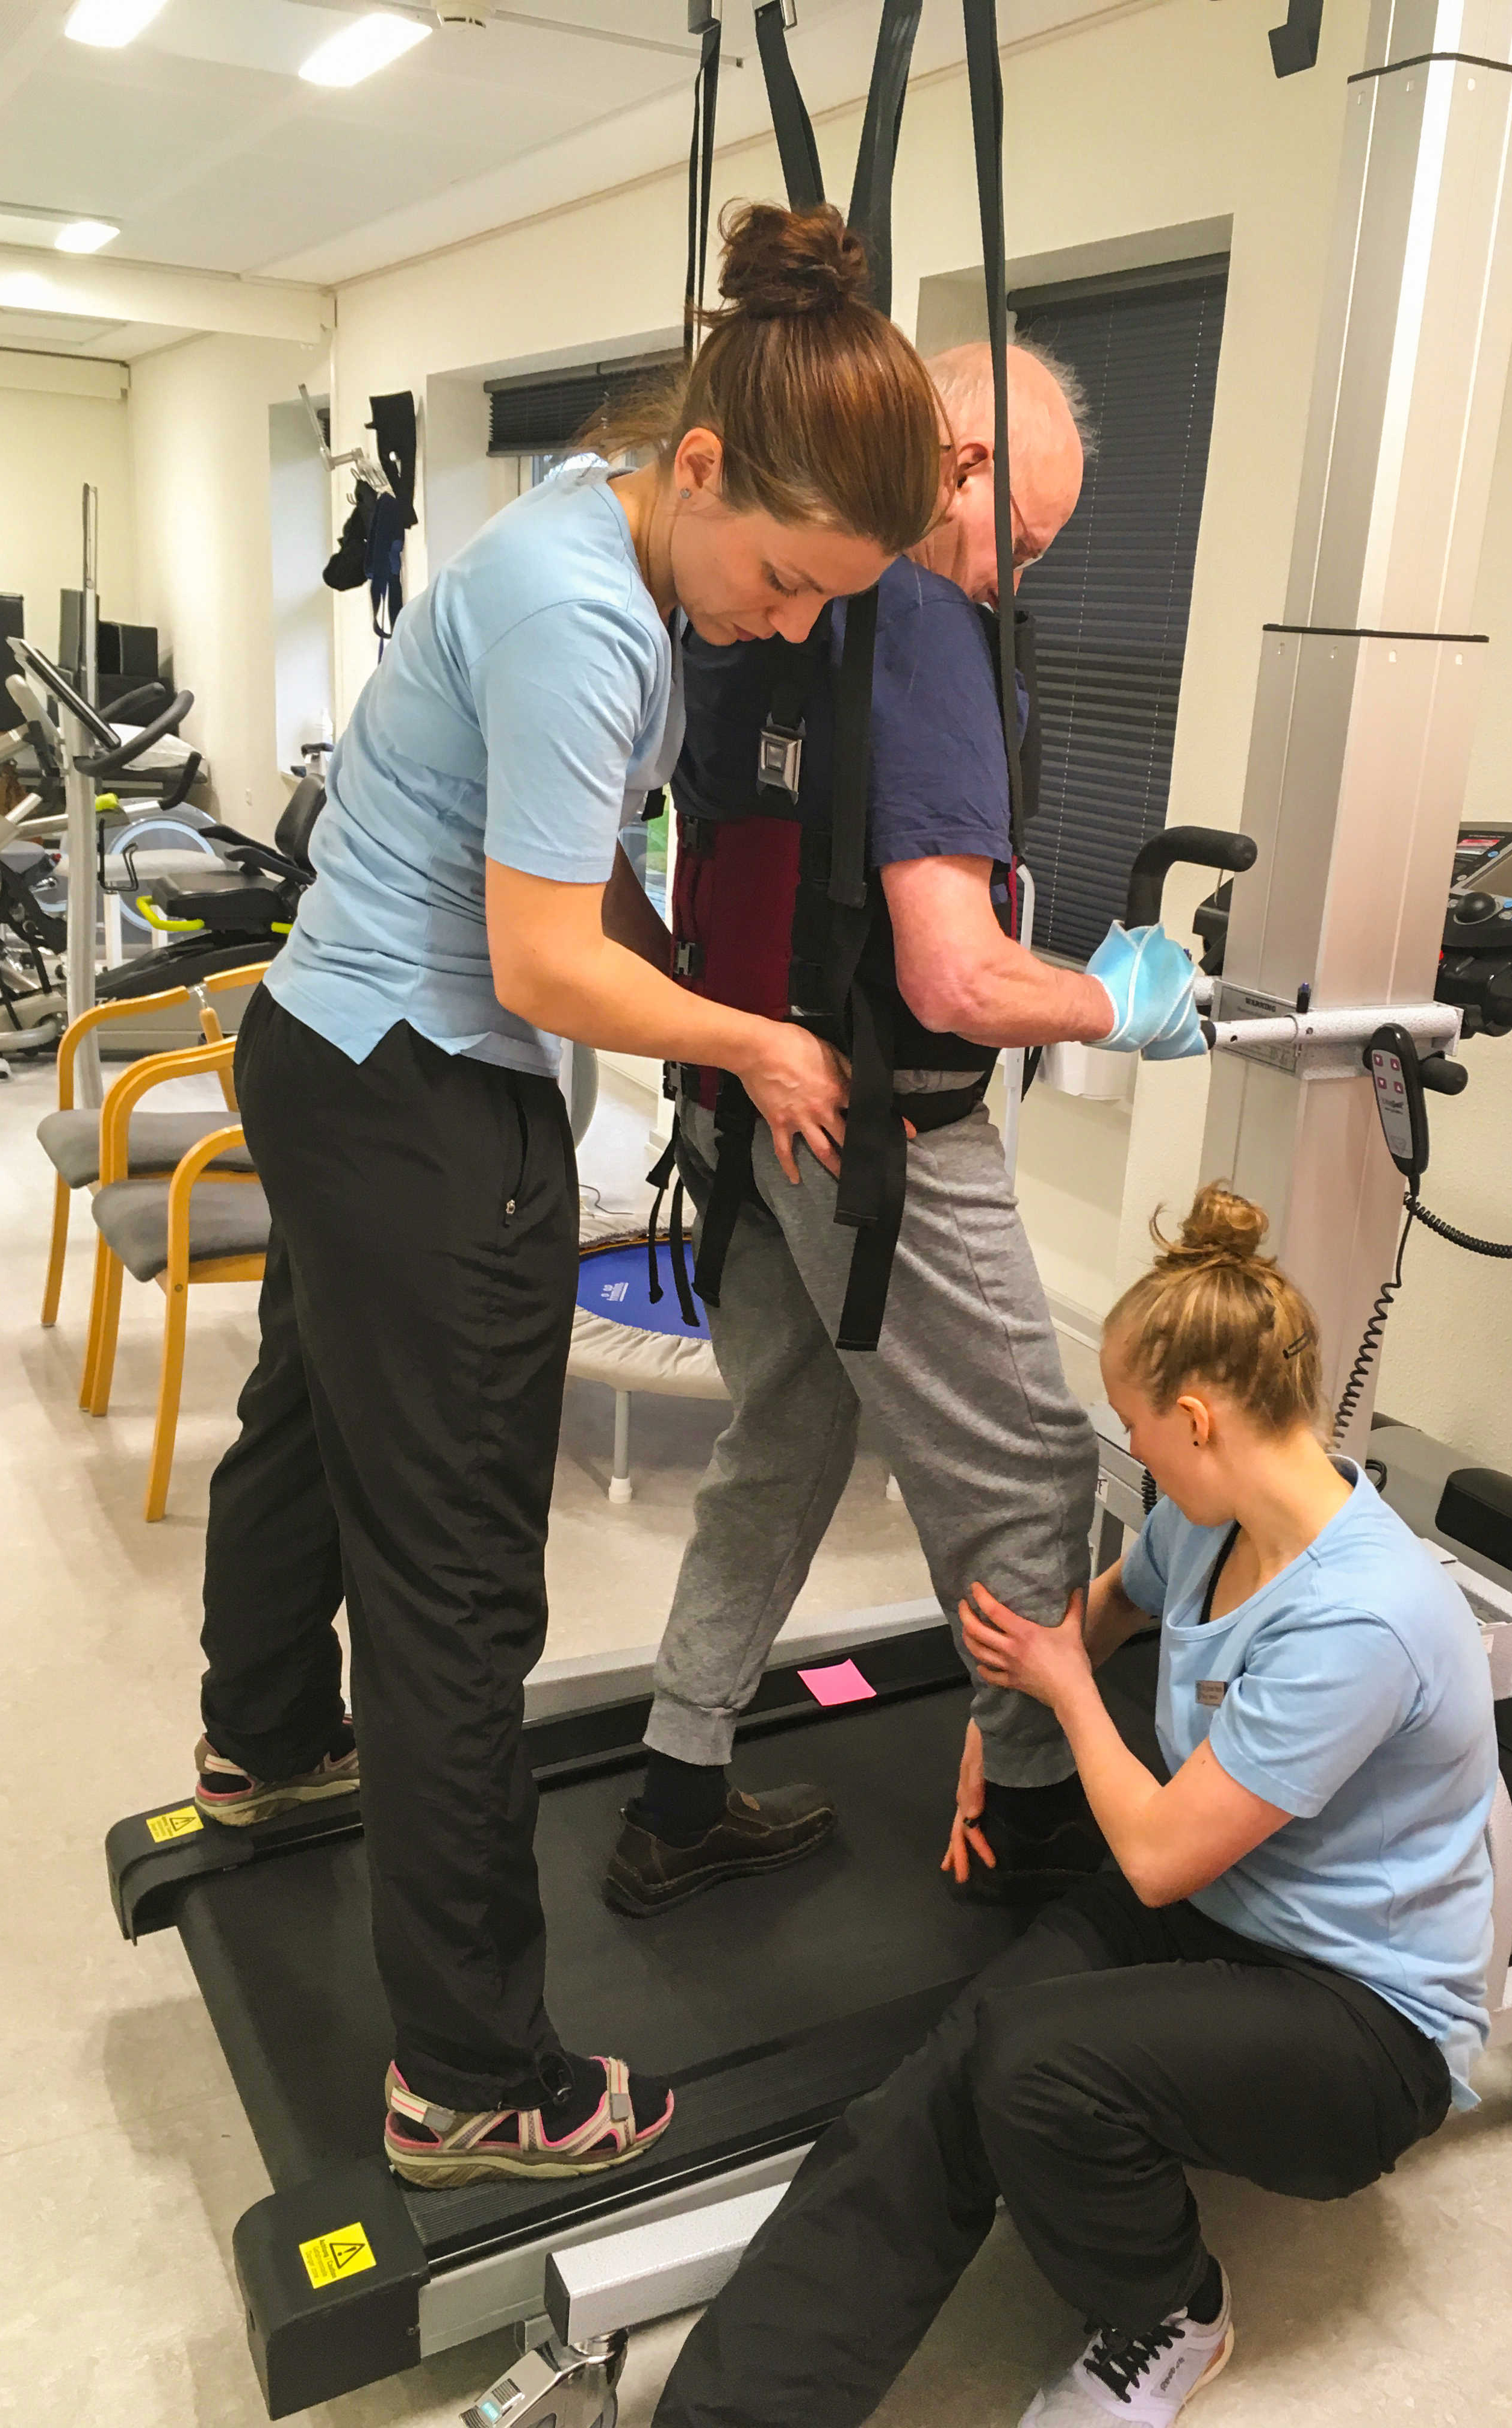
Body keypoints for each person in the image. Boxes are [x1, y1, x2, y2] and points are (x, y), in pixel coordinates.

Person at [185, 202, 947, 2191]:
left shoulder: (592, 533)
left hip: (325, 1042)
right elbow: (539, 963)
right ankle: (472, 2080)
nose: (788, 626)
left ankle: (263, 1738)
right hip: (426, 1089)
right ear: (701, 468)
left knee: (305, 1417)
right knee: (455, 1587)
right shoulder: (588, 619)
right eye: (784, 579)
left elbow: (578, 853)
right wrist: (752, 1042)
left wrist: (689, 979)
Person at [652, 1181, 1497, 2428]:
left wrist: (1063, 1691)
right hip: (1224, 1916)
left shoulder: (1359, 1621)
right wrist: (1003, 1719)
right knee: (942, 2074)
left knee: (1033, 2070)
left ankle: (1176, 2313)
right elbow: (1106, 1612)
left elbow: (1153, 1855)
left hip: (1363, 2023)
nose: (1134, 1451)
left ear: (1198, 1420)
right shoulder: (1214, 1523)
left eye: (1137, 1428)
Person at [605, 339, 1205, 1918]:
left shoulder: (744, 603)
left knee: (787, 1435)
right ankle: (1032, 1813)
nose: (1017, 578)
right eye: (1026, 540)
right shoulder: (921, 623)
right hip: (884, 1133)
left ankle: (678, 1784)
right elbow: (955, 974)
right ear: (961, 464)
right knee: (1027, 1468)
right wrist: (1121, 1001)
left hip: (738, 1108)